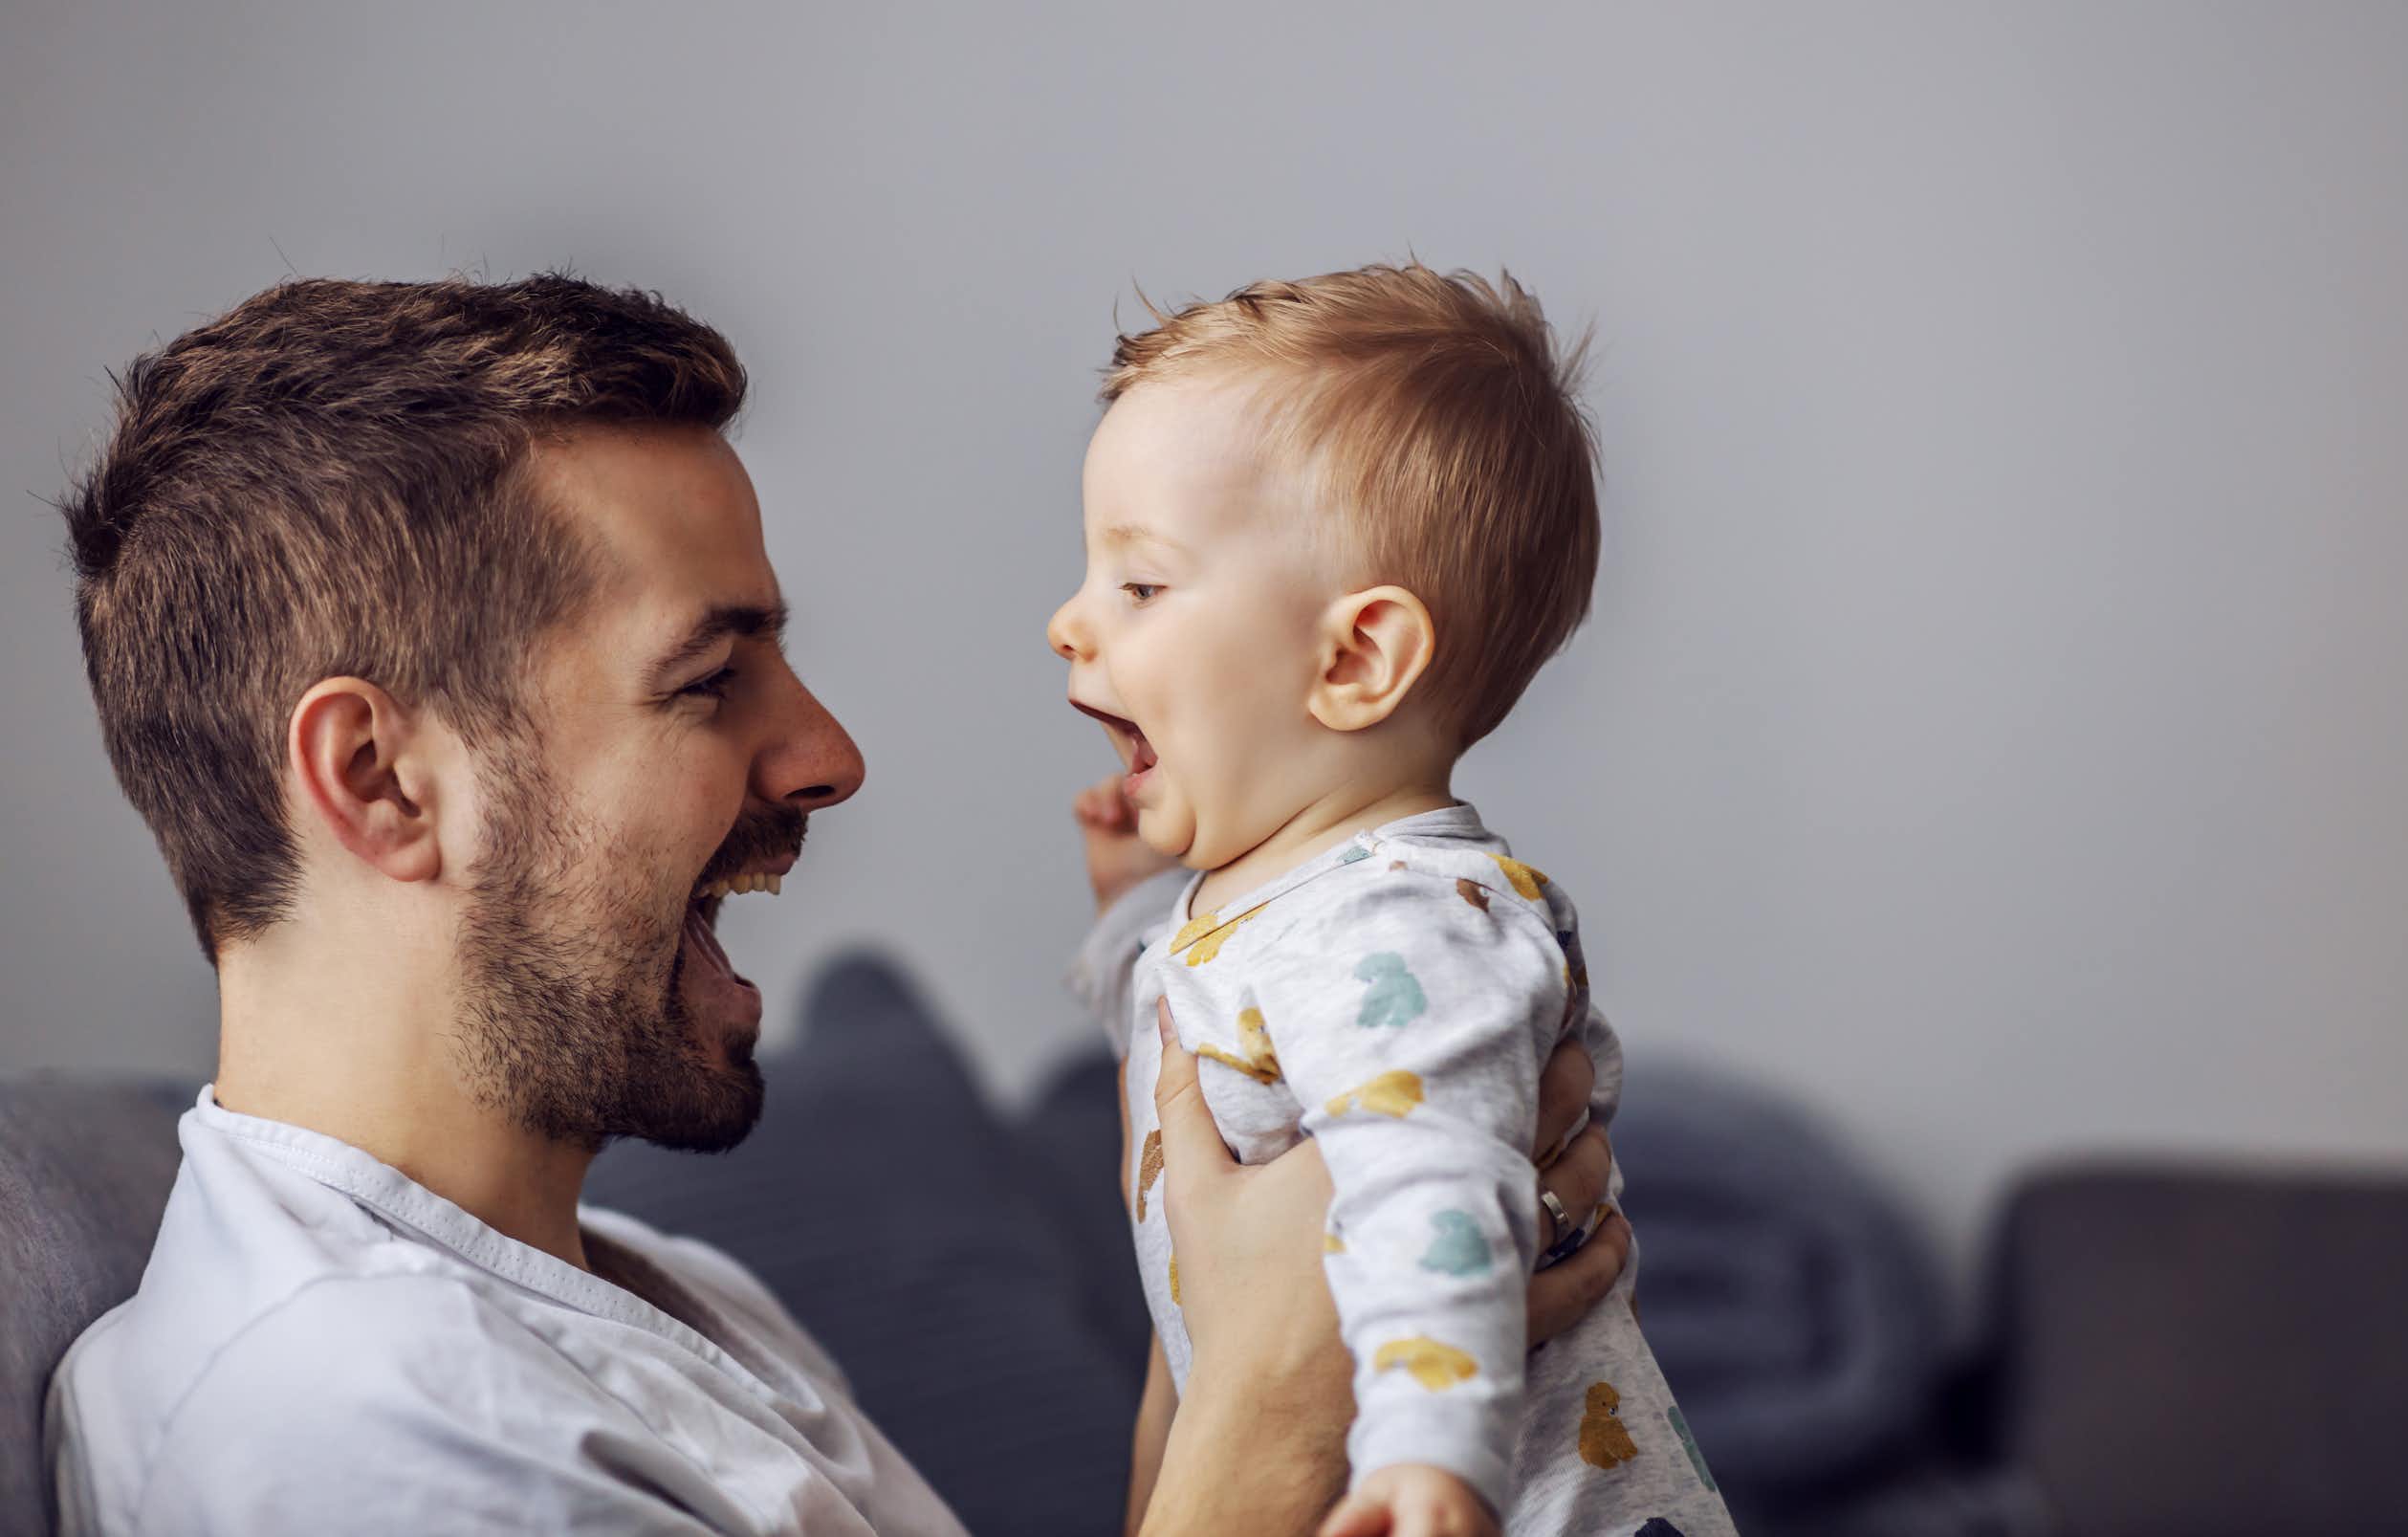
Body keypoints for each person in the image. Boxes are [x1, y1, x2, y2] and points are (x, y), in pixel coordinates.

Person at [42, 274, 1631, 1535]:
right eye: (709, 679)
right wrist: (1282, 1402)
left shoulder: (669, 1299)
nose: (830, 756)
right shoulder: (360, 1440)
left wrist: (1239, 1302)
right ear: (381, 782)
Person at [1051, 264, 1732, 1537]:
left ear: (1356, 658)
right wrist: (1135, 927)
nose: (1066, 623)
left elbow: (1434, 1189)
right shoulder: (1284, 910)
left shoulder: (1412, 924)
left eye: (1138, 585)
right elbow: (1220, 1080)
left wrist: (1435, 1460)